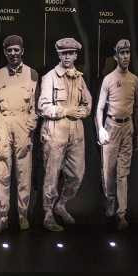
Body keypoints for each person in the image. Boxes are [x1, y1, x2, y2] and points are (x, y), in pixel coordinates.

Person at [0, 35, 39, 235]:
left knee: (24, 173)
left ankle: (23, 215)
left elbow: (35, 106)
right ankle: (3, 217)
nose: (13, 53)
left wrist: (31, 125)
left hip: (23, 125)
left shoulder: (32, 74)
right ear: (5, 52)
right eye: (9, 50)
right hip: (3, 123)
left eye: (16, 50)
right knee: (2, 174)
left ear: (22, 51)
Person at [38, 37, 92, 231]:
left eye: (71, 53)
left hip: (76, 134)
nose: (67, 56)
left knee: (77, 174)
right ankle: (48, 213)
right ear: (59, 55)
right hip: (55, 133)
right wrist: (66, 111)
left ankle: (61, 205)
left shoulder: (79, 77)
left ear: (76, 55)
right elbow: (43, 106)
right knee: (51, 176)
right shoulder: (50, 77)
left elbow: (88, 103)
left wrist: (83, 112)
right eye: (64, 53)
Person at [95, 39, 138, 231]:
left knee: (123, 173)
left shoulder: (135, 80)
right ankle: (111, 201)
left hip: (127, 127)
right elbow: (99, 108)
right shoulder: (108, 79)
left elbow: (137, 107)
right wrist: (101, 128)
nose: (125, 56)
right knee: (108, 172)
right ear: (116, 56)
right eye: (122, 53)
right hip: (111, 127)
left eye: (127, 53)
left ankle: (122, 214)